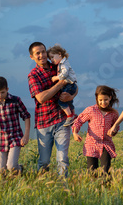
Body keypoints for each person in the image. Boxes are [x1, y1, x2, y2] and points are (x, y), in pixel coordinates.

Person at [28, 42, 78, 177]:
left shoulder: (58, 65)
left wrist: (71, 96)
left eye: (43, 51)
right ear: (32, 57)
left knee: (62, 159)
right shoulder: (33, 75)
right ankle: (42, 187)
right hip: (44, 123)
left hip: (62, 119)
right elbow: (41, 98)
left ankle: (64, 189)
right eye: (37, 53)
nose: (41, 55)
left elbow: (74, 84)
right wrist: (60, 83)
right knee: (44, 161)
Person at [0, 76, 31, 177]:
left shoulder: (16, 100)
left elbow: (26, 116)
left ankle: (20, 170)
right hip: (0, 140)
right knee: (1, 172)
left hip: (15, 138)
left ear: (7, 89)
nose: (0, 95)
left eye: (2, 92)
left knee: (11, 166)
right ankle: (5, 187)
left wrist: (26, 135)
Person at [72, 85, 120, 176]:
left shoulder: (113, 113)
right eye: (100, 100)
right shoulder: (91, 110)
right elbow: (79, 121)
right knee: (92, 171)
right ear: (96, 99)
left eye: (105, 99)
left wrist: (113, 131)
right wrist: (75, 133)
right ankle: (94, 188)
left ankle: (106, 187)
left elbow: (116, 127)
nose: (103, 102)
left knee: (106, 170)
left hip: (106, 144)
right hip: (91, 144)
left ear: (110, 98)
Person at [47, 44, 78, 127]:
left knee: (61, 101)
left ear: (59, 54)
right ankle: (74, 115)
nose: (52, 60)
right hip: (71, 85)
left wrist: (56, 78)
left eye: (52, 57)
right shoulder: (61, 63)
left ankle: (69, 116)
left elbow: (64, 74)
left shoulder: (63, 64)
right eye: (50, 59)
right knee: (69, 101)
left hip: (69, 85)